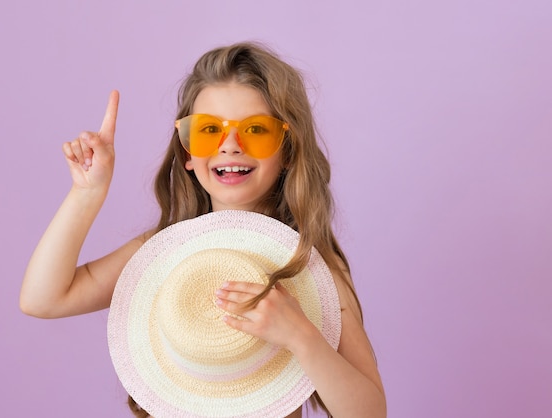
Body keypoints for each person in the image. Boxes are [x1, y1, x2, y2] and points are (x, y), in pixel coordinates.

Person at [20, 42, 386, 418]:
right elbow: (43, 299)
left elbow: (370, 412)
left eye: (256, 130)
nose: (230, 146)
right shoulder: (161, 256)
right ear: (187, 153)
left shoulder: (309, 269)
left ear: (288, 149)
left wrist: (302, 336)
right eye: (209, 130)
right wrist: (87, 192)